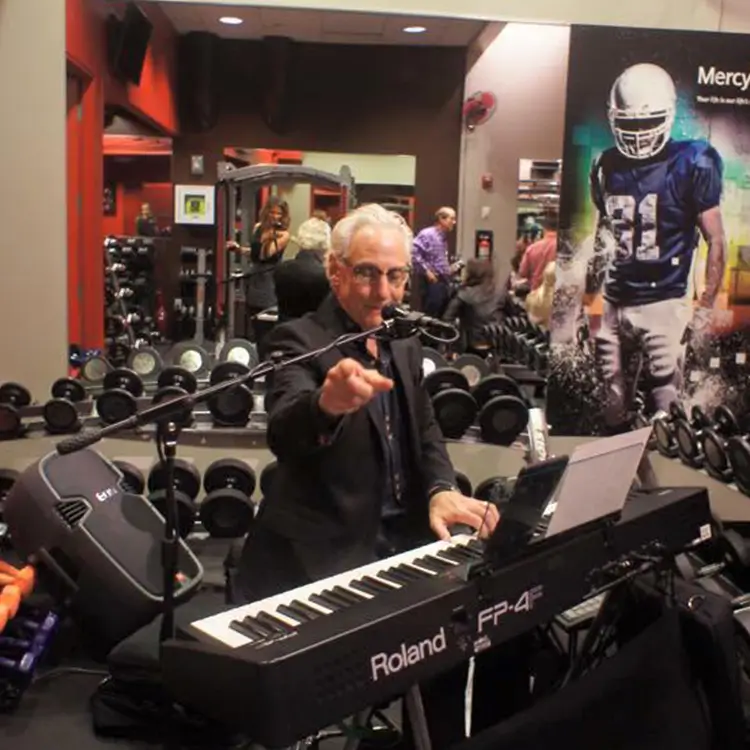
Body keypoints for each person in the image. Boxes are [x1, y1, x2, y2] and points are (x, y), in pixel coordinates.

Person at [237, 204, 528, 748]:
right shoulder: (297, 341)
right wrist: (327, 405)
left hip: (406, 540)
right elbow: (285, 431)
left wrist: (442, 490)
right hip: (329, 551)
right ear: (335, 270)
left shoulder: (402, 337)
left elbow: (426, 431)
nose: (383, 292)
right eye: (367, 272)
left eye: (396, 276)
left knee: (489, 631)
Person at [586, 63, 726, 430]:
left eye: (647, 123)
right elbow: (603, 237)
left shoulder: (693, 159)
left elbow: (716, 239)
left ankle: (662, 477)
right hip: (616, 300)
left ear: (668, 116)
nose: (637, 134)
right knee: (610, 403)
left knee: (663, 399)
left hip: (664, 299)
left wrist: (705, 304)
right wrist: (590, 302)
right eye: (628, 124)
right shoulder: (606, 164)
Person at [227, 195, 291, 319]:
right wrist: (239, 249)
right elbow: (255, 253)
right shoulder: (258, 227)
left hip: (270, 278)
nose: (275, 216)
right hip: (255, 275)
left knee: (266, 314)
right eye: (272, 212)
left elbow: (266, 254)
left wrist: (267, 239)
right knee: (252, 313)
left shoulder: (283, 235)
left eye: (279, 213)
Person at [273, 216, 331, 322]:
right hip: (312, 333)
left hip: (283, 331)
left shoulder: (281, 269)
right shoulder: (324, 276)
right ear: (325, 244)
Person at [442, 258, 506, 353]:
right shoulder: (501, 293)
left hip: (471, 346)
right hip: (498, 346)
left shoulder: (463, 294)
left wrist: (454, 347)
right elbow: (514, 319)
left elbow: (447, 320)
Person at [411, 207, 457, 316]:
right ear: (442, 219)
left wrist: (448, 269)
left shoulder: (443, 238)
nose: (454, 222)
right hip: (433, 282)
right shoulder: (427, 234)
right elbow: (413, 253)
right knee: (431, 315)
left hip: (443, 282)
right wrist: (427, 271)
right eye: (452, 219)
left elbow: (436, 260)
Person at [517, 210, 558, 293]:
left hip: (536, 295)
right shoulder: (566, 249)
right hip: (557, 296)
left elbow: (522, 272)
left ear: (544, 228)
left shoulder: (532, 248)